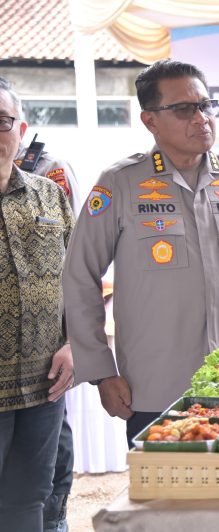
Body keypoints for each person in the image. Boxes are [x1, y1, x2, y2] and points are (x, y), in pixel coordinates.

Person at [63, 59, 219, 446]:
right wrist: (102, 372)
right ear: (150, 120)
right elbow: (80, 275)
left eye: (206, 105)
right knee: (161, 500)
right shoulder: (120, 184)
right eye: (184, 109)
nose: (201, 118)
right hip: (153, 388)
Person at [0, 77, 75, 532]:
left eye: (2, 121)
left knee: (31, 499)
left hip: (44, 385)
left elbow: (80, 281)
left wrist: (75, 345)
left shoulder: (50, 194)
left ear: (21, 128)